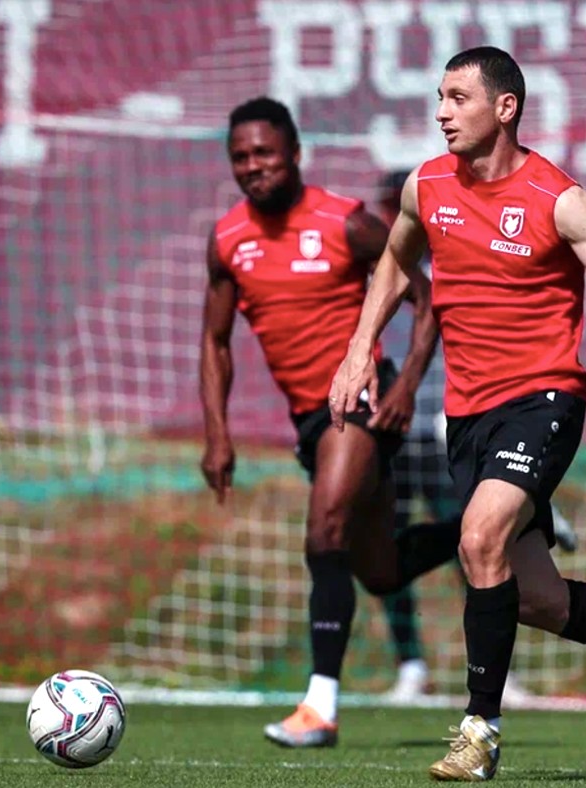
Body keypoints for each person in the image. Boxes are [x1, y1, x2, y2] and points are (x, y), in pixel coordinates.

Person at [329, 47, 586, 780]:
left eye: (458, 98)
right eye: (439, 97)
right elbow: (394, 261)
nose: (442, 112)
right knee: (539, 601)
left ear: (505, 108)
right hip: (468, 417)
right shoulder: (427, 186)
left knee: (478, 537)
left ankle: (479, 732)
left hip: (545, 401)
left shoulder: (559, 200)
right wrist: (360, 348)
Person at [199, 97, 461, 749]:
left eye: (264, 153)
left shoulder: (345, 223)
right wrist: (218, 434)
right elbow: (215, 342)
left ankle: (319, 708)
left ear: (294, 154)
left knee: (324, 534)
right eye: (240, 157)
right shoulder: (228, 239)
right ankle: (515, 520)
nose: (253, 166)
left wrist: (405, 386)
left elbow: (427, 298)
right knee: (380, 571)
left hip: (362, 400)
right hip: (310, 421)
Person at [372, 170, 579, 704]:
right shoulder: (380, 275)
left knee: (477, 547)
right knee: (388, 554)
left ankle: (495, 672)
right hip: (393, 437)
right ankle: (410, 665)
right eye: (388, 211)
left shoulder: (456, 263)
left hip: (448, 434)